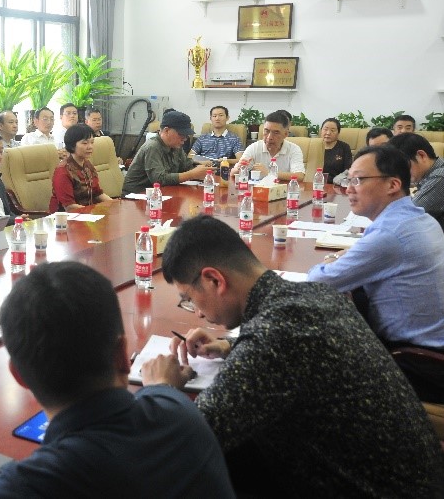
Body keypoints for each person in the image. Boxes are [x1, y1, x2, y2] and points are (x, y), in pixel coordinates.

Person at [147, 214, 444, 497]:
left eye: (189, 299)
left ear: (214, 280)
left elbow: (184, 439)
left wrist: (162, 388)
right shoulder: (315, 294)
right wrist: (231, 346)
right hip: (417, 479)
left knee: (172, 472)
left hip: (365, 489)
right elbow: (294, 355)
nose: (197, 313)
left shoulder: (272, 339)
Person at [0, 261, 235, 499]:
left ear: (19, 376)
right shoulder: (181, 412)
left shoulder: (30, 485)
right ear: (122, 354)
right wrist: (163, 387)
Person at [307, 146, 444, 355]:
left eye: (358, 180)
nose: (349, 189)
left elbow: (318, 282)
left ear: (393, 185)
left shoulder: (390, 233)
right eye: (349, 180)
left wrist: (332, 258)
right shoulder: (420, 218)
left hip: (414, 357)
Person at [123, 109, 207, 193]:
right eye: (181, 134)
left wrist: (203, 169)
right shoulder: (152, 147)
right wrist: (192, 174)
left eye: (186, 135)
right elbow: (159, 180)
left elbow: (185, 166)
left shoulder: (176, 146)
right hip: (137, 195)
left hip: (161, 193)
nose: (185, 139)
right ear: (166, 131)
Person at [50, 124, 113, 211]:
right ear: (72, 145)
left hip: (88, 214)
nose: (90, 147)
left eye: (92, 142)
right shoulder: (63, 171)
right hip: (67, 216)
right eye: (85, 143)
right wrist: (94, 212)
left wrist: (114, 204)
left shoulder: (87, 165)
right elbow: (69, 206)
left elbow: (97, 193)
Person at [389, 132, 444, 230]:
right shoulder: (432, 174)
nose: (400, 173)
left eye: (403, 167)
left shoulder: (440, 177)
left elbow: (407, 214)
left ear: (421, 155)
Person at [232, 111, 305, 181]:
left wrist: (270, 173)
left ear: (286, 134)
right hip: (258, 188)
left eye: (276, 132)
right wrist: (239, 168)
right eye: (266, 131)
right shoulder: (254, 147)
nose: (269, 137)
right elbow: (232, 173)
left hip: (284, 188)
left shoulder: (293, 149)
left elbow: (299, 176)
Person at [318, 117, 352, 184]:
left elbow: (348, 170)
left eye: (332, 130)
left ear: (338, 133)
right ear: (321, 131)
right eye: (325, 129)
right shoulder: (314, 146)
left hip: (336, 184)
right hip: (315, 183)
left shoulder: (344, 147)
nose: (328, 133)